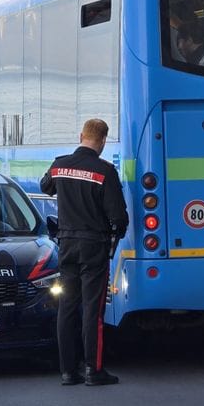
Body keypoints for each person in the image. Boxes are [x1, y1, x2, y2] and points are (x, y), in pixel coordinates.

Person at [40, 118, 128, 386]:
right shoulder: (105, 171)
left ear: (81, 136)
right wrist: (117, 233)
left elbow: (45, 186)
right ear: (102, 141)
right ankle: (93, 369)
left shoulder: (59, 165)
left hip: (67, 245)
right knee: (93, 308)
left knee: (67, 306)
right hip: (94, 247)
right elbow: (118, 216)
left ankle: (68, 371)